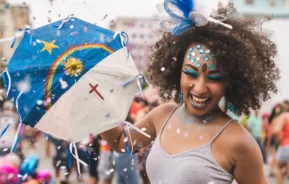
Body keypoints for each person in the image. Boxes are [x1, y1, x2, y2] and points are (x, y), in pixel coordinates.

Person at [100, 2, 279, 183]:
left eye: (214, 78)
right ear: (177, 71)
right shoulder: (162, 116)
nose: (200, 88)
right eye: (191, 73)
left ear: (231, 82)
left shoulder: (239, 142)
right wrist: (94, 98)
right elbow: (119, 142)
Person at [272, 111, 289, 184]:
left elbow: (276, 131)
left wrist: (277, 137)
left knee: (277, 167)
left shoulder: (284, 116)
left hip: (286, 144)